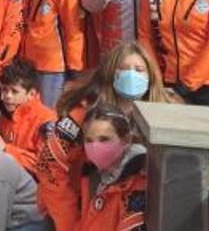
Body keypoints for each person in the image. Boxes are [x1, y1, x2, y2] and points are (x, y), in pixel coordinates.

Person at [38, 43, 176, 231]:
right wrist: (68, 222)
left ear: (151, 76)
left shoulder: (167, 114)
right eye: (125, 69)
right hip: (78, 206)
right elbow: (49, 161)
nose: (132, 75)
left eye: (139, 70)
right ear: (112, 73)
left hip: (136, 209)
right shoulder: (85, 111)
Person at [76, 105, 147, 231]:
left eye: (104, 139)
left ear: (126, 140)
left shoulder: (138, 185)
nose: (95, 147)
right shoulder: (92, 175)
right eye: (89, 140)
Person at [0, 61, 56, 173]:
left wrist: (6, 149)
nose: (7, 96)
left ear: (31, 94)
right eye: (4, 90)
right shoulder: (2, 116)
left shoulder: (46, 121)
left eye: (14, 91)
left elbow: (45, 166)